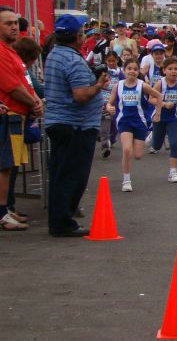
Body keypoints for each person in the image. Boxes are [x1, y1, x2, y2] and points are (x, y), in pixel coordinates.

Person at [43, 14, 109, 236]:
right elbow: (81, 95)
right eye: (82, 32)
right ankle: (63, 223)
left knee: (61, 174)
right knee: (72, 176)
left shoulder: (55, 54)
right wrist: (98, 85)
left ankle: (59, 220)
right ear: (77, 36)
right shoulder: (72, 59)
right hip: (75, 125)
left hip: (61, 122)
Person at [0, 7, 43, 231]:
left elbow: (25, 82)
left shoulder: (12, 52)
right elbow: (13, 87)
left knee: (10, 166)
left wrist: (34, 100)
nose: (14, 26)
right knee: (5, 166)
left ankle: (6, 208)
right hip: (8, 116)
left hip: (18, 116)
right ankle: (2, 212)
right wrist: (34, 102)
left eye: (15, 22)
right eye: (8, 23)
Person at [105, 59, 163, 192]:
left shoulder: (142, 85)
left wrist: (158, 114)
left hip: (139, 122)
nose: (132, 71)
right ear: (124, 70)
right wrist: (109, 107)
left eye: (135, 69)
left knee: (138, 155)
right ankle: (126, 180)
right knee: (126, 150)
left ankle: (149, 136)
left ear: (138, 71)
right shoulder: (118, 86)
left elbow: (159, 96)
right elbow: (110, 102)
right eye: (129, 68)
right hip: (124, 121)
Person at [151, 57, 177, 182]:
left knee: (174, 143)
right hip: (159, 117)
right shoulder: (160, 83)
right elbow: (151, 99)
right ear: (164, 70)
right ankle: (153, 136)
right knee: (156, 146)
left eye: (176, 69)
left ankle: (173, 172)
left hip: (173, 118)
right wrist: (163, 104)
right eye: (170, 69)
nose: (173, 71)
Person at [99, 51, 125, 158]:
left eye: (113, 61)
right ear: (105, 61)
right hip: (101, 102)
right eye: (109, 61)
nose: (111, 63)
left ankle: (111, 140)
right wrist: (102, 85)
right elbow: (95, 84)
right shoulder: (102, 72)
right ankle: (104, 145)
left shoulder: (120, 73)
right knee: (103, 125)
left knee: (113, 124)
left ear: (117, 60)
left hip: (113, 103)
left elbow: (124, 85)